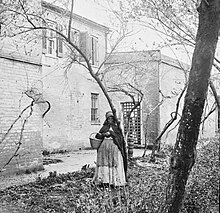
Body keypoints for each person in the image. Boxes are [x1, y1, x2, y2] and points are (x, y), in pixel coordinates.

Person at [92, 111, 127, 187]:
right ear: (107, 119)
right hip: (104, 147)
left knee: (114, 162)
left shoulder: (116, 127)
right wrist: (104, 134)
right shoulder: (104, 127)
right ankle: (104, 180)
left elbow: (120, 137)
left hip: (114, 146)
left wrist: (112, 133)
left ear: (114, 119)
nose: (110, 120)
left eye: (111, 118)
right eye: (109, 119)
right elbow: (98, 136)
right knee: (104, 162)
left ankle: (114, 181)